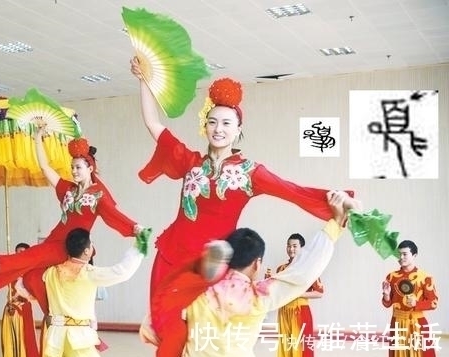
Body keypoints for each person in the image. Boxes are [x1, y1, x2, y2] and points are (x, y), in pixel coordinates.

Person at [129, 57, 353, 356]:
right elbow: (153, 124)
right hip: (172, 258)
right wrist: (143, 80)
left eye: (226, 123)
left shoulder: (250, 172)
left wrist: (340, 201)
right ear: (204, 126)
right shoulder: (190, 162)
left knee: (206, 337)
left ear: (238, 129)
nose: (218, 129)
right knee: (169, 338)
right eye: (212, 122)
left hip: (214, 266)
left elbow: (293, 191)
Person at [0, 124, 149, 316]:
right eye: (72, 167)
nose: (74, 171)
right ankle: (51, 314)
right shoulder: (68, 189)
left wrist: (135, 228)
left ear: (89, 168)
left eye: (78, 167)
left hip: (70, 245)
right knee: (32, 277)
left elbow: (115, 217)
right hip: (54, 238)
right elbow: (45, 167)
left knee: (33, 255)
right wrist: (38, 137)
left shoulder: (98, 195)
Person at [174, 191, 354, 356]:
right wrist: (336, 224)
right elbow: (304, 272)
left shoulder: (194, 291)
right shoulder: (257, 296)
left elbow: (163, 318)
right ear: (257, 263)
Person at [42, 227, 145, 357]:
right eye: (91, 245)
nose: (92, 247)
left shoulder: (50, 272)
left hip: (55, 337)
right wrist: (139, 246)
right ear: (86, 251)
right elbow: (122, 272)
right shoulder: (88, 273)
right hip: (78, 339)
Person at [381, 240, 438, 357]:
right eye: (399, 254)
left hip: (417, 323)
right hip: (397, 322)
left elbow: (433, 302)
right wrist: (386, 295)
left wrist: (416, 304)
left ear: (414, 255)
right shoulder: (391, 277)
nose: (401, 257)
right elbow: (387, 303)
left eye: (405, 254)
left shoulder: (425, 277)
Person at [275, 233, 324, 357]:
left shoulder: (308, 268)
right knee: (286, 347)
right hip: (284, 311)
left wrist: (299, 294)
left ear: (301, 248)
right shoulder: (281, 269)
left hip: (300, 312)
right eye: (289, 246)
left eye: (294, 246)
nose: (291, 249)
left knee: (301, 349)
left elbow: (319, 292)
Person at [1, 242, 39, 357]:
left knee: (24, 336)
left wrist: (18, 294)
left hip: (23, 307)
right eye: (17, 252)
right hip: (10, 307)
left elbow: (33, 291)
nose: (20, 254)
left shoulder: (31, 271)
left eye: (23, 252)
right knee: (9, 337)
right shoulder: (12, 269)